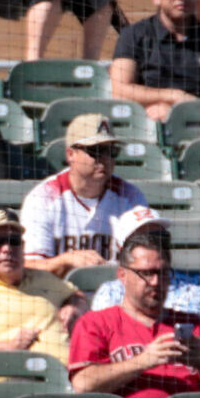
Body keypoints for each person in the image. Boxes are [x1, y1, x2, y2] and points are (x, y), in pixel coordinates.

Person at [69, 229, 200, 398]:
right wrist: (142, 361)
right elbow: (83, 384)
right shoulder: (96, 323)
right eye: (146, 273)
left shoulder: (195, 324)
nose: (155, 282)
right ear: (122, 275)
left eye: (162, 273)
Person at [89, 205, 200, 365]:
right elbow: (99, 344)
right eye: (141, 239)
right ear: (122, 249)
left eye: (159, 237)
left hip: (195, 378)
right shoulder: (110, 292)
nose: (152, 243)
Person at [0, 207, 86, 364]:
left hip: (69, 378)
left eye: (13, 241)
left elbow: (77, 295)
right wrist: (11, 346)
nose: (6, 249)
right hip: (12, 380)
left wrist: (74, 305)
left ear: (23, 247)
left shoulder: (44, 279)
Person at [20, 114, 148, 277]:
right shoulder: (43, 197)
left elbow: (146, 263)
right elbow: (29, 267)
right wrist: (65, 260)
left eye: (111, 151)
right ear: (70, 154)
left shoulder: (130, 197)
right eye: (95, 150)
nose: (105, 159)